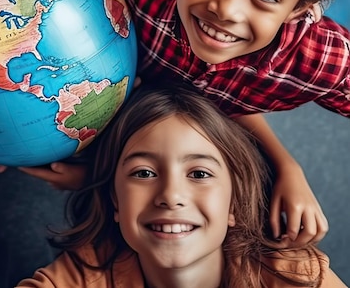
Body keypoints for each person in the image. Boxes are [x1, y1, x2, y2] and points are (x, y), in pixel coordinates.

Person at [118, 0, 350, 248]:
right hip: (141, 121)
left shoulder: (319, 61)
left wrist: (286, 167)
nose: (226, 10)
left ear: (298, 10)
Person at [17, 84, 347, 288]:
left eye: (199, 174)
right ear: (116, 202)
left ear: (233, 204)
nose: (171, 196)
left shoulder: (295, 278)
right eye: (143, 173)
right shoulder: (81, 278)